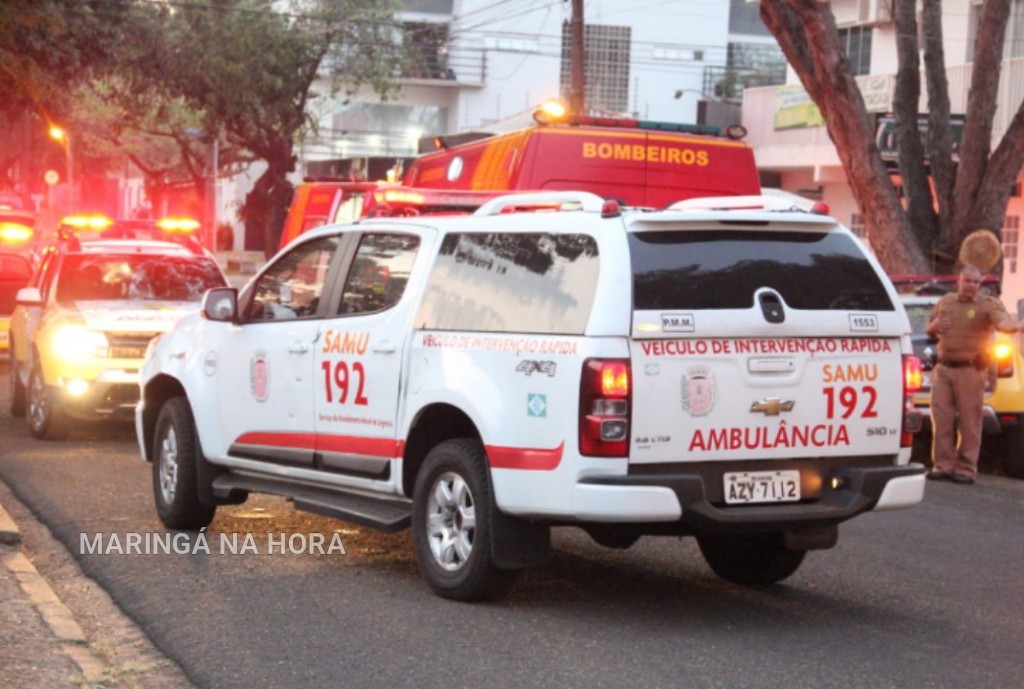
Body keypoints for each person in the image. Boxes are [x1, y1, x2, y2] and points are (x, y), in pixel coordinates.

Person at [925, 265, 1024, 484]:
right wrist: (935, 325)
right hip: (943, 368)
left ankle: (966, 469)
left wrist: (1017, 326)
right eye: (967, 281)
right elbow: (929, 330)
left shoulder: (986, 305)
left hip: (970, 370)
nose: (971, 286)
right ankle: (942, 466)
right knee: (941, 419)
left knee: (970, 422)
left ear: (980, 285)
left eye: (975, 282)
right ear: (958, 281)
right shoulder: (946, 301)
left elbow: (1003, 324)